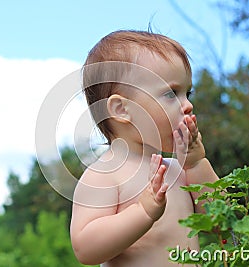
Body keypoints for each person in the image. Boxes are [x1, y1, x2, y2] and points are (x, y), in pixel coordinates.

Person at [70, 30, 219, 267]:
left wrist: (196, 164)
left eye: (187, 93)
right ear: (122, 109)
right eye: (171, 94)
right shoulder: (106, 175)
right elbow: (85, 249)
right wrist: (143, 212)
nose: (188, 105)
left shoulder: (180, 172)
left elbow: (222, 225)